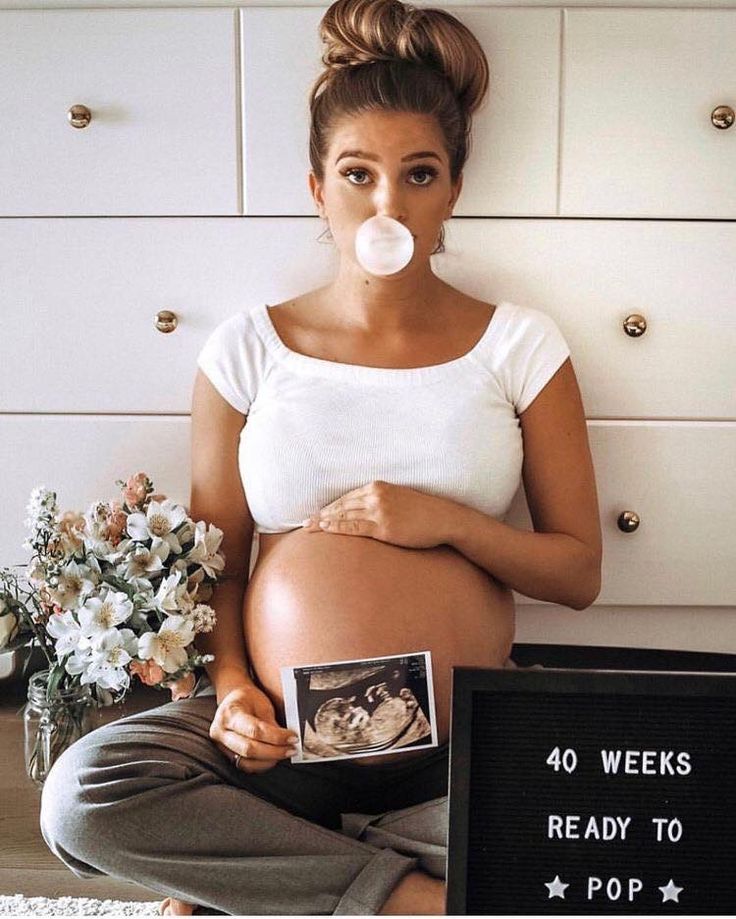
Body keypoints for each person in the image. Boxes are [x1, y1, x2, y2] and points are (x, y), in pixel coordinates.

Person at [38, 0, 603, 914]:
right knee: (82, 796)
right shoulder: (246, 352)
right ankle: (408, 900)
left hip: (454, 757)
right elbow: (214, 574)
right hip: (283, 754)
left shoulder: (519, 347)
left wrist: (448, 522)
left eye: (419, 174)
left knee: (644, 805)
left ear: (454, 187)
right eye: (359, 174)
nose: (389, 205)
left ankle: (282, 879)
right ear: (317, 188)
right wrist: (230, 692)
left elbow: (578, 572)